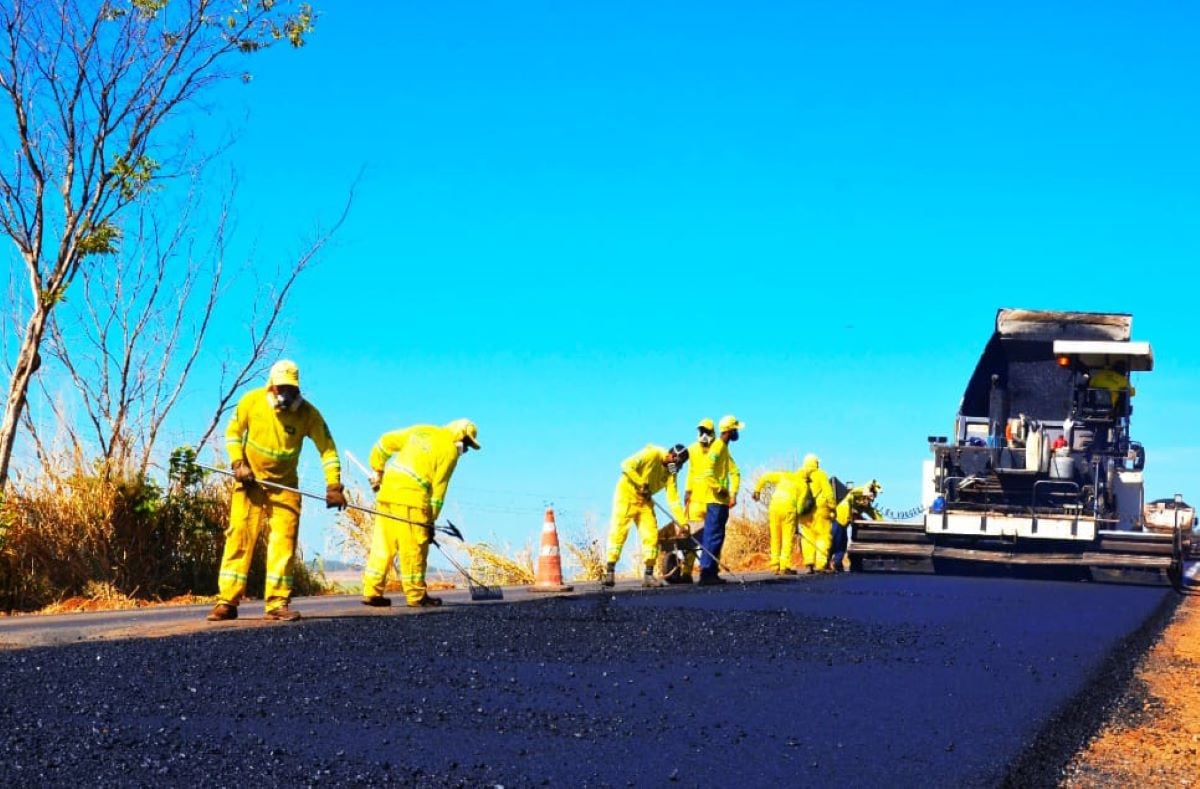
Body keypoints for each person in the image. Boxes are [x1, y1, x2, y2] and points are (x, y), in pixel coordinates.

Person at [208, 360, 346, 622]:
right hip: (250, 483)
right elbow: (233, 432)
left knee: (284, 542)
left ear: (297, 389)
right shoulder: (251, 401)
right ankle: (227, 602)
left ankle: (277, 603)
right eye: (280, 387)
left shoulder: (309, 414)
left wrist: (334, 485)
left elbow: (327, 449)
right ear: (271, 385)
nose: (285, 394)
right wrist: (238, 463)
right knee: (239, 537)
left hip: (285, 487)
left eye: (290, 389)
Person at [360, 419, 480, 608]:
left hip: (388, 492)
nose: (464, 451)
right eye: (466, 446)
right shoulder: (449, 452)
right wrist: (430, 521)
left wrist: (378, 469)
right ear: (460, 437)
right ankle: (416, 596)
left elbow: (385, 442)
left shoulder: (422, 430)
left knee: (383, 545)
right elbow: (438, 494)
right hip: (413, 500)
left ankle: (372, 591)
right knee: (414, 548)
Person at [603, 443, 689, 588]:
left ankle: (648, 575)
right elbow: (626, 465)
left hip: (645, 501)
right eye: (677, 463)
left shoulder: (671, 474)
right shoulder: (652, 454)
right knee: (619, 533)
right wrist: (641, 483)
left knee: (651, 535)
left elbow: (673, 499)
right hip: (627, 496)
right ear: (671, 456)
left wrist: (682, 522)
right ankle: (609, 571)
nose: (677, 467)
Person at [694, 415, 743, 585]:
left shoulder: (724, 448)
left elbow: (735, 471)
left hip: (722, 501)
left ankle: (712, 571)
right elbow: (707, 473)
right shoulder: (717, 448)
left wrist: (733, 493)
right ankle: (706, 572)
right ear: (730, 431)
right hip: (715, 500)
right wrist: (720, 489)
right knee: (712, 535)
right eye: (736, 429)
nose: (737, 433)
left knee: (717, 535)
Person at [677, 418, 716, 584]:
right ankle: (686, 572)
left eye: (706, 432)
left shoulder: (717, 448)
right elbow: (690, 472)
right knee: (691, 537)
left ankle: (709, 570)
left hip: (712, 499)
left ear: (712, 432)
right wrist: (687, 491)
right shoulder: (692, 449)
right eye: (701, 431)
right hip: (695, 500)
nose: (703, 435)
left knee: (712, 537)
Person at [752, 465, 806, 575]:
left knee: (775, 537)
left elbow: (765, 477)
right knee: (787, 539)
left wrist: (757, 490)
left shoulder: (784, 475)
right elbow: (800, 507)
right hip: (788, 509)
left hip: (774, 507)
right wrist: (797, 523)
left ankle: (775, 565)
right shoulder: (803, 485)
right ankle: (784, 566)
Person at [831, 479, 882, 572]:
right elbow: (853, 492)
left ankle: (837, 564)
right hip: (838, 521)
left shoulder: (864, 505)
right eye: (871, 496)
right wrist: (865, 490)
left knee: (842, 544)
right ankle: (830, 563)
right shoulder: (853, 496)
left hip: (844, 525)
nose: (872, 499)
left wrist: (883, 523)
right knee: (835, 543)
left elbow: (875, 514)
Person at [797, 453, 835, 574]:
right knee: (822, 536)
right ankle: (821, 564)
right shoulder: (821, 474)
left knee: (807, 537)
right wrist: (833, 507)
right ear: (816, 463)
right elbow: (828, 492)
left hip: (804, 511)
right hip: (820, 510)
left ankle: (809, 564)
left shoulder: (798, 474)